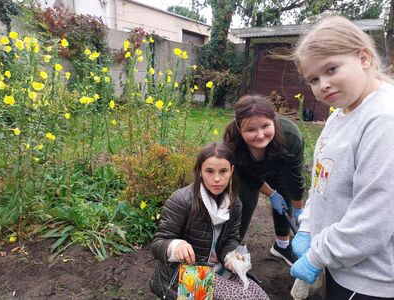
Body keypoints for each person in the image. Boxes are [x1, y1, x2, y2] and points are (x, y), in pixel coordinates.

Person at [290, 15, 394, 299]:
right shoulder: (341, 113)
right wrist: (309, 226)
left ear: (363, 58)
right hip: (339, 264)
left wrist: (316, 257)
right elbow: (322, 179)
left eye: (331, 69)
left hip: (368, 280)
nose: (323, 84)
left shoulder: (384, 120)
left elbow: (373, 221)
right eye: (313, 78)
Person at [149, 142, 269, 300]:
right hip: (187, 273)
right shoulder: (182, 200)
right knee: (243, 297)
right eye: (209, 171)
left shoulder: (235, 203)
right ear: (200, 172)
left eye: (223, 171)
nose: (217, 179)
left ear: (232, 170)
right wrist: (176, 246)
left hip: (218, 267)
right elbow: (158, 243)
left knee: (259, 295)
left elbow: (232, 238)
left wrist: (231, 256)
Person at [223, 94, 305, 266]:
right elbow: (247, 175)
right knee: (243, 202)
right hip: (248, 171)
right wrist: (271, 193)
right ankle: (231, 248)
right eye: (251, 130)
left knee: (286, 199)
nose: (260, 135)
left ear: (274, 120)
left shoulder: (291, 137)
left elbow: (295, 177)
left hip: (279, 164)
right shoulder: (232, 144)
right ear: (239, 129)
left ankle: (282, 246)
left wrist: (298, 210)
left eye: (265, 126)